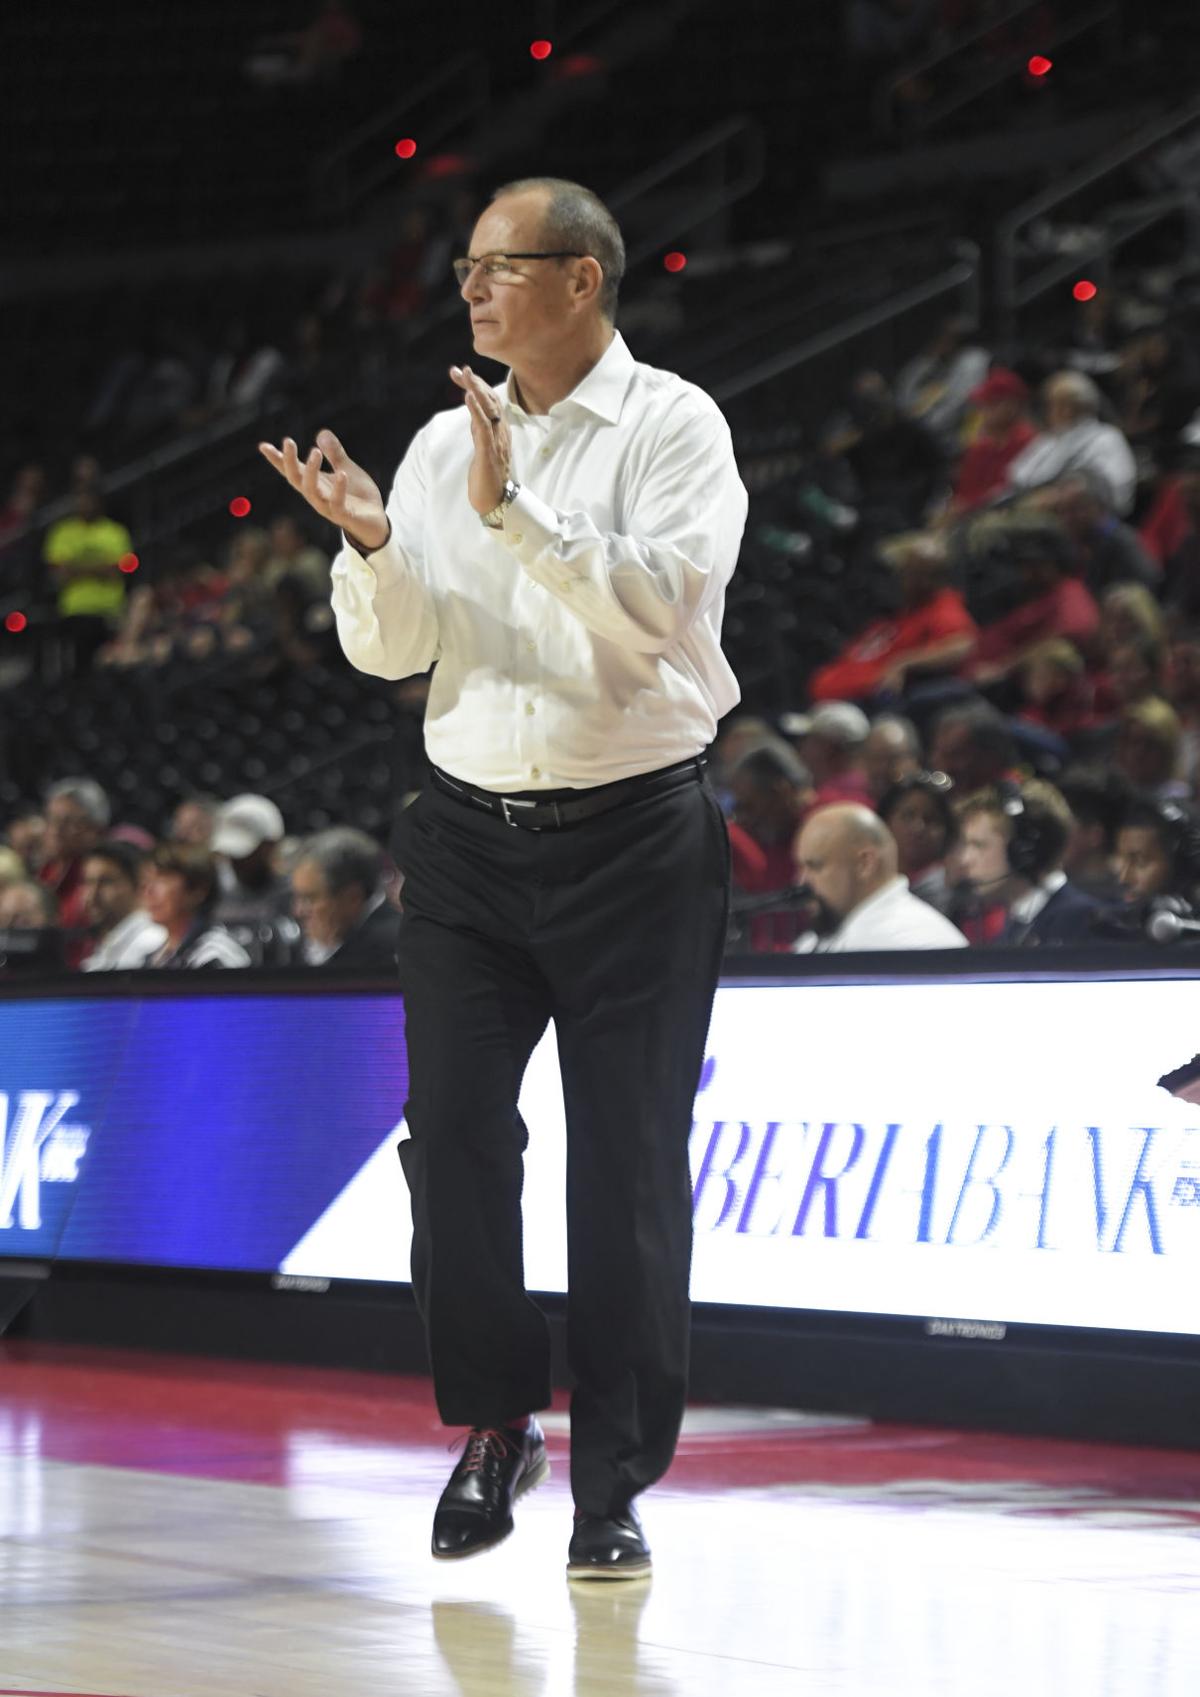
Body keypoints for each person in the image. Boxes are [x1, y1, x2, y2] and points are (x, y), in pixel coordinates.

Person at [259, 175, 746, 1581]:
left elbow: (660, 612)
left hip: (638, 837)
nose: (469, 289)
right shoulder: (430, 443)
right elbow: (392, 651)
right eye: (467, 268)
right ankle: (493, 1425)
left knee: (628, 1167)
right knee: (455, 1140)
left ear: (583, 279)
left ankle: (613, 1483)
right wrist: (370, 541)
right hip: (467, 840)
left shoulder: (676, 427)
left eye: (497, 266)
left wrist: (517, 510)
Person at [808, 533, 977, 704]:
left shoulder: (943, 609)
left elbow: (960, 646)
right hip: (830, 698)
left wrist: (903, 663)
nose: (901, 579)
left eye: (909, 573)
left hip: (867, 704)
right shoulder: (900, 613)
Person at [792, 803, 967, 951]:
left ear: (865, 864)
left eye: (815, 866)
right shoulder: (814, 942)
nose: (802, 881)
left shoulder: (916, 942)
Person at [955, 779, 1107, 945]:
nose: (965, 860)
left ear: (1025, 850)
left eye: (979, 845)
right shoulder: (1017, 923)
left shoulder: (1081, 922)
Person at [967, 518, 1099, 688]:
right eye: (1024, 565)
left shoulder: (1070, 594)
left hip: (1001, 686)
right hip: (972, 669)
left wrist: (1002, 669)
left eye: (1036, 566)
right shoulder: (1034, 592)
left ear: (1056, 563)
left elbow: (1073, 631)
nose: (1027, 573)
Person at [1005, 371, 1137, 515]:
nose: (1052, 411)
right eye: (1052, 404)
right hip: (1027, 509)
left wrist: (1058, 497)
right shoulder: (1049, 439)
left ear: (1082, 406)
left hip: (1070, 518)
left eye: (1059, 404)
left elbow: (1114, 491)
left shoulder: (1106, 437)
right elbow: (1019, 478)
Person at [42, 486, 134, 670]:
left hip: (110, 609)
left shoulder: (115, 532)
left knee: (110, 662)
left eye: (88, 501)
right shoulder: (63, 532)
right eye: (80, 501)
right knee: (77, 665)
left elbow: (119, 570)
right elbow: (60, 573)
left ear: (98, 503)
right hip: (74, 609)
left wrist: (77, 568)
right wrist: (100, 567)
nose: (84, 505)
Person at [290, 827, 402, 967]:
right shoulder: (322, 943)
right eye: (297, 897)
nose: (298, 911)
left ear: (352, 898)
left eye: (310, 899)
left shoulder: (394, 949)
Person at [209, 793, 301, 964]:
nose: (235, 861)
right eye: (229, 853)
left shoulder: (296, 894)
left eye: (245, 854)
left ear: (270, 846)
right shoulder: (212, 890)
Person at [139, 844, 252, 968]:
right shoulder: (156, 956)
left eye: (163, 879)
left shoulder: (215, 956)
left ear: (198, 890)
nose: (148, 890)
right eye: (147, 879)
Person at [947, 368, 1036, 516]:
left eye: (990, 404)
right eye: (982, 405)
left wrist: (969, 506)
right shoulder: (979, 447)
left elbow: (1012, 492)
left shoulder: (1030, 443)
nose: (982, 412)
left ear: (1011, 405)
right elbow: (962, 493)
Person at [876, 770, 958, 913]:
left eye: (931, 819)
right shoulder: (867, 880)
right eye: (908, 816)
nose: (918, 828)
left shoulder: (945, 891)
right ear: (885, 821)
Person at [38, 778, 110, 934]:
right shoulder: (43, 874)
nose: (56, 830)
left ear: (96, 829)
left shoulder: (100, 882)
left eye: (68, 822)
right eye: (51, 819)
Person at [79, 841, 166, 970]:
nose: (92, 894)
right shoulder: (107, 942)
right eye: (88, 882)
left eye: (106, 882)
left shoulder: (151, 941)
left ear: (139, 884)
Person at [928, 701, 1019, 793]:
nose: (937, 762)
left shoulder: (1017, 793)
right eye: (936, 751)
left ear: (989, 756)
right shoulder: (932, 797)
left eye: (954, 754)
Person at [800, 701, 875, 809]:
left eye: (810, 740)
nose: (802, 746)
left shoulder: (827, 803)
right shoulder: (867, 787)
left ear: (828, 748)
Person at [863, 713, 921, 801]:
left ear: (914, 760)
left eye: (892, 759)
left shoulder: (927, 806)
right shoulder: (854, 804)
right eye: (876, 759)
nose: (882, 768)